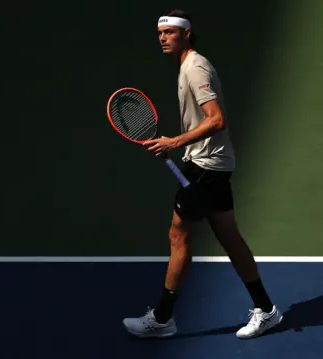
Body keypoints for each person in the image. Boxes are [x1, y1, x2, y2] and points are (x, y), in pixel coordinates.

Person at [121, 9, 283, 339]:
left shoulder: (194, 68)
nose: (162, 37)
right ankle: (266, 310)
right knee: (230, 238)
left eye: (169, 32)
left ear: (187, 34)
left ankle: (163, 320)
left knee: (179, 235)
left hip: (206, 168)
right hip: (211, 164)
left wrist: (175, 141)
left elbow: (216, 119)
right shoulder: (188, 66)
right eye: (160, 33)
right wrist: (177, 145)